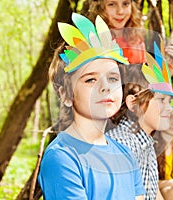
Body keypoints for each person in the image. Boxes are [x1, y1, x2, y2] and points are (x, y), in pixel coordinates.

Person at [38, 13, 145, 199]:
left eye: (112, 78)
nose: (105, 87)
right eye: (90, 80)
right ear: (66, 95)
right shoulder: (62, 157)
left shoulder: (126, 156)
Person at [106, 41, 173, 200]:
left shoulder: (146, 143)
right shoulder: (122, 145)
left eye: (169, 101)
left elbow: (152, 192)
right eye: (162, 100)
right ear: (133, 104)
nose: (170, 108)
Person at [87, 0, 173, 75]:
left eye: (125, 4)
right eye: (112, 4)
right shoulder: (93, 40)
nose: (120, 11)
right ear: (100, 8)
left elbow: (144, 83)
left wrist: (170, 69)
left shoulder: (135, 39)